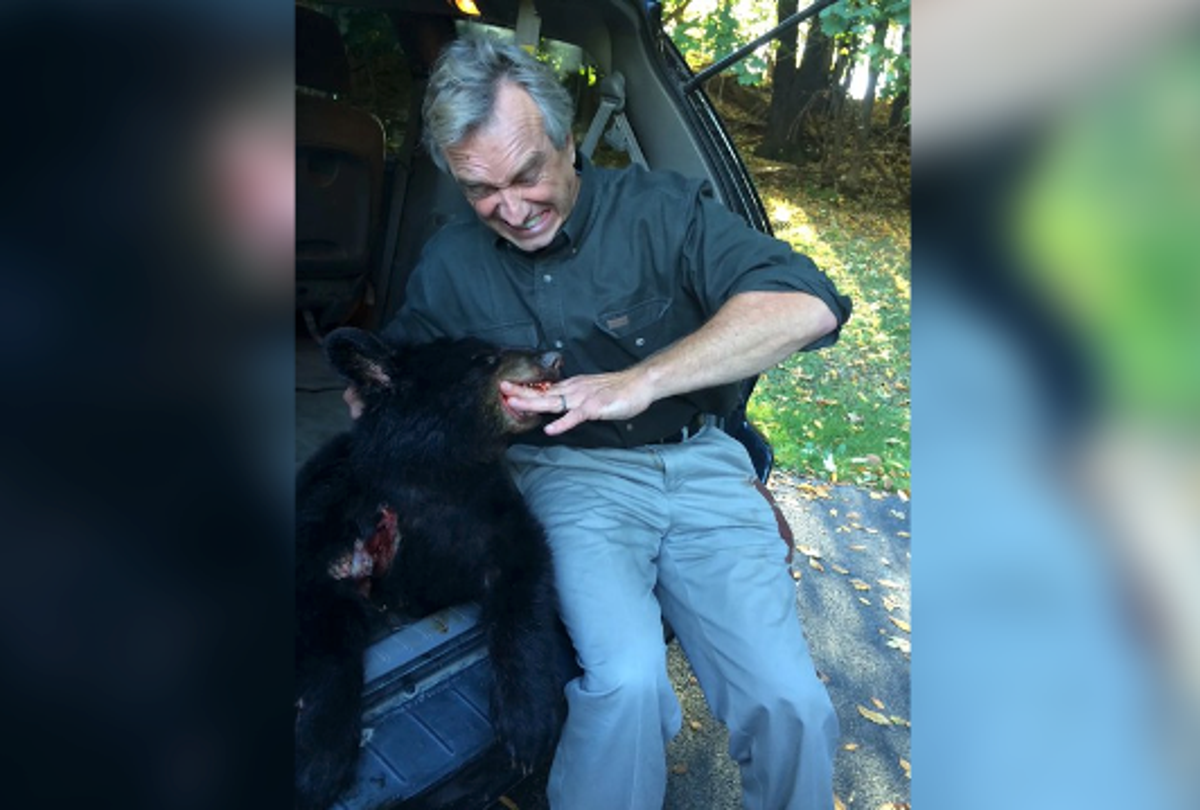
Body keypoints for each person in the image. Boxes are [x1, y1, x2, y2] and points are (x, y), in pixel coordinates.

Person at [374, 36, 850, 810]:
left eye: (528, 172)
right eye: (481, 190)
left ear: (567, 140)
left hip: (700, 469)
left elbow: (806, 304)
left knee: (790, 702)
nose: (514, 208)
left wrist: (641, 380)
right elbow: (399, 389)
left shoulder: (663, 212)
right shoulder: (451, 264)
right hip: (568, 477)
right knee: (625, 684)